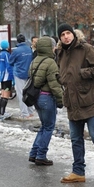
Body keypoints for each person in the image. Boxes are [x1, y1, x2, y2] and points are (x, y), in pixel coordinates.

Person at [56, 23, 94, 184]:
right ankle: (78, 171)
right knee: (75, 138)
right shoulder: (60, 52)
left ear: (73, 34)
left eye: (68, 33)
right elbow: (61, 72)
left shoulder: (85, 48)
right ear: (60, 38)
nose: (66, 36)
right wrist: (60, 79)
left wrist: (82, 73)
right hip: (73, 101)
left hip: (90, 100)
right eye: (62, 34)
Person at [28, 37, 63, 165]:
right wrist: (60, 100)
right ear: (49, 47)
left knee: (44, 126)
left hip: (37, 98)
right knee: (49, 127)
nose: (54, 49)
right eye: (53, 46)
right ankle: (41, 155)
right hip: (47, 98)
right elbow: (54, 85)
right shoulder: (50, 62)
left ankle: (34, 153)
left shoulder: (34, 60)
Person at [9, 34, 34, 119]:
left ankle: (24, 113)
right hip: (29, 74)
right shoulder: (29, 49)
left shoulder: (16, 51)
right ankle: (31, 111)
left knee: (21, 94)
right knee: (29, 93)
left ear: (17, 41)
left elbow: (10, 62)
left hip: (19, 74)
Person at [0, 40, 13, 120]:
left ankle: (1, 112)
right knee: (6, 95)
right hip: (7, 77)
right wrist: (12, 77)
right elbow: (9, 66)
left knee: (3, 94)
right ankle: (2, 114)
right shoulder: (7, 54)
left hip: (1, 76)